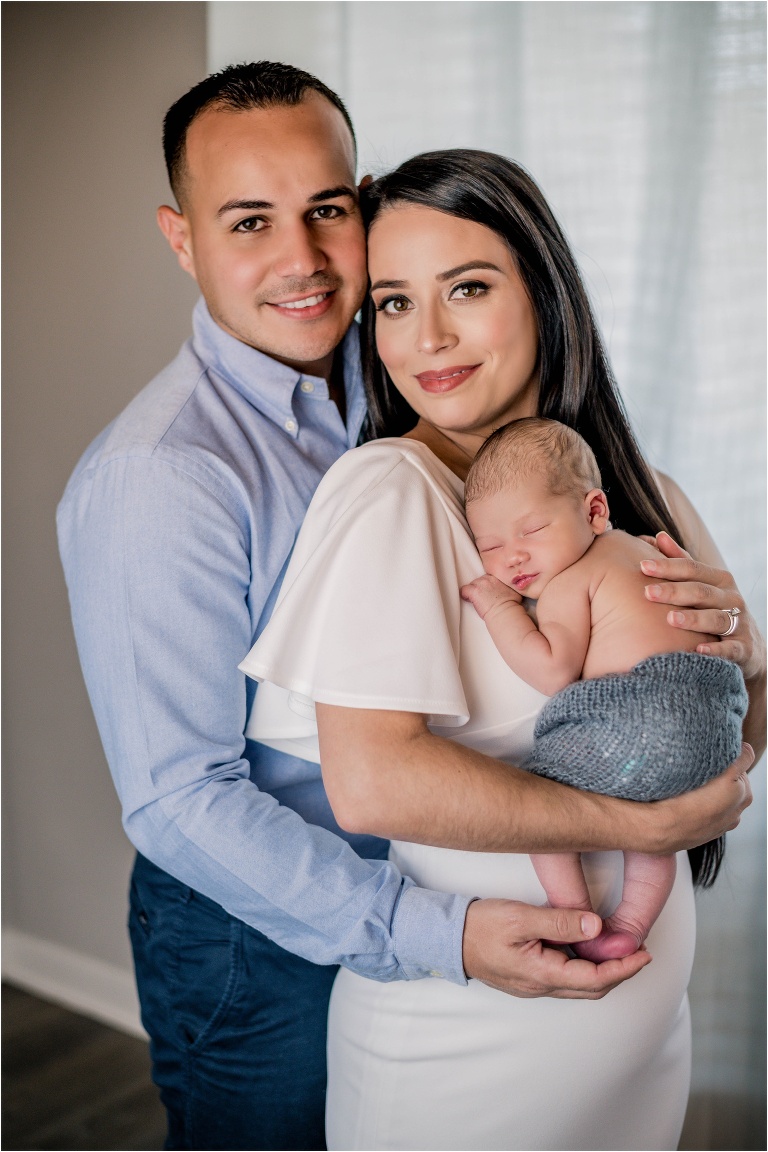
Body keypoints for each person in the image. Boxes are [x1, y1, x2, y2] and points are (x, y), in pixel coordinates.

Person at [56, 61, 756, 1151]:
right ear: (183, 238)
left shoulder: (422, 403)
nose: (301, 261)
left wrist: (737, 661)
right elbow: (183, 800)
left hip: (508, 941)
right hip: (264, 911)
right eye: (248, 221)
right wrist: (445, 920)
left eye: (328, 212)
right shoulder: (166, 476)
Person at [240, 149, 764, 1151]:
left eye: (467, 288)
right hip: (475, 1050)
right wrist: (643, 826)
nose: (425, 335)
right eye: (392, 303)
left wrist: (742, 651)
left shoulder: (636, 488)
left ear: (547, 295)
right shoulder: (391, 491)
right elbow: (375, 784)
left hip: (641, 1039)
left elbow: (740, 723)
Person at [460, 416, 748, 963]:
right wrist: (738, 629)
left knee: (539, 803)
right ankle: (632, 923)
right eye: (490, 546)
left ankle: (573, 909)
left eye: (532, 531)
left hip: (644, 714)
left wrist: (500, 608)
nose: (513, 557)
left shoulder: (573, 579)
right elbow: (724, 624)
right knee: (656, 825)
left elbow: (552, 671)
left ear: (594, 510)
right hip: (716, 726)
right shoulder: (646, 550)